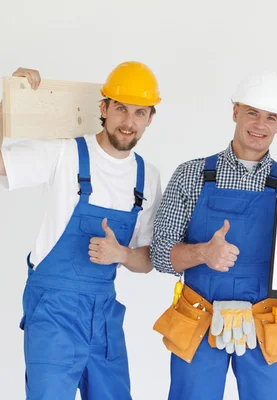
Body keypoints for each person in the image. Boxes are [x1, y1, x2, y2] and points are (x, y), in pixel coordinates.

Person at [150, 70, 277, 400]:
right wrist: (202, 254)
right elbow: (159, 253)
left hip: (267, 323)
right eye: (252, 112)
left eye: (270, 117)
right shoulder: (191, 176)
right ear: (235, 112)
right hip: (199, 319)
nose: (259, 124)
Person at [0, 62, 162, 399]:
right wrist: (7, 106)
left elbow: (147, 260)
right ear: (103, 108)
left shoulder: (147, 176)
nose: (128, 121)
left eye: (139, 112)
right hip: (53, 313)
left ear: (150, 118)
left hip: (104, 316)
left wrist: (122, 254)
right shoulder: (65, 153)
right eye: (120, 108)